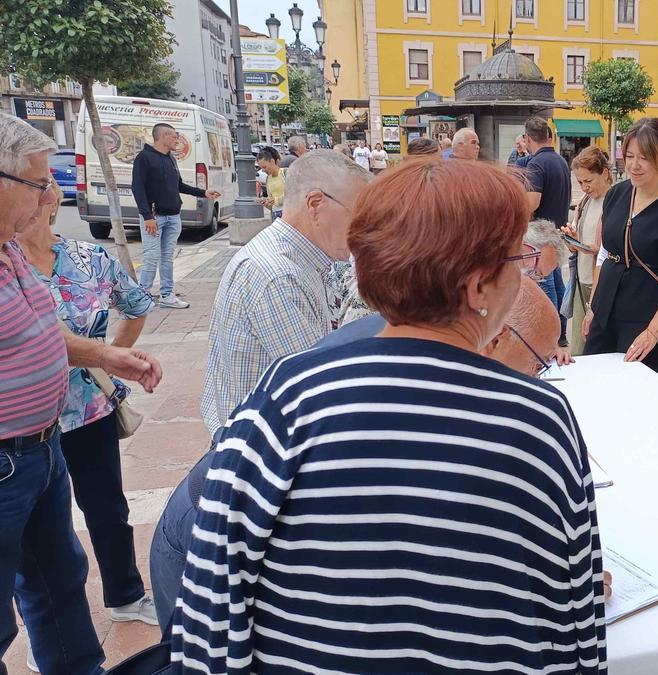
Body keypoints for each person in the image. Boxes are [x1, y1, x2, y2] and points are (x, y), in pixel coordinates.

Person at [173, 157, 607, 673]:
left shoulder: (286, 395)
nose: (525, 273)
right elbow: (577, 615)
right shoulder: (540, 420)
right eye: (518, 259)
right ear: (478, 287)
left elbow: (212, 603)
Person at [149, 274, 562, 631]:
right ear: (499, 335)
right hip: (203, 535)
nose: (536, 378)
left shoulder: (428, 342)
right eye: (537, 363)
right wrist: (545, 578)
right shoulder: (394, 376)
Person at [1, 112, 162, 675]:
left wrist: (110, 357)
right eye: (40, 183)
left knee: (59, 579)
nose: (49, 197)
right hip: (8, 456)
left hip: (46, 442)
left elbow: (49, 331)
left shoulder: (13, 254)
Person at [199, 149, 371, 438]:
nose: (364, 229)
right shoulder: (277, 276)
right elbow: (321, 388)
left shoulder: (305, 258)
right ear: (315, 204)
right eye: (359, 216)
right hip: (258, 445)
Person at [583, 117, 658, 378]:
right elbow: (605, 253)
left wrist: (652, 332)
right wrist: (594, 307)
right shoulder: (617, 194)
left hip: (648, 318)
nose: (634, 166)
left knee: (637, 397)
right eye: (629, 156)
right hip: (606, 312)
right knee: (595, 384)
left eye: (644, 157)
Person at [131, 122, 221, 310]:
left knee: (167, 258)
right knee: (151, 257)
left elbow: (178, 185)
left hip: (173, 216)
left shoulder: (170, 158)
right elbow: (137, 188)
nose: (176, 139)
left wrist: (203, 193)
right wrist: (147, 216)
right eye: (174, 136)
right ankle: (142, 298)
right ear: (163, 136)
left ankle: (167, 295)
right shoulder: (144, 158)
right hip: (154, 218)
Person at [523, 117, 573, 349]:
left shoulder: (536, 164)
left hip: (540, 234)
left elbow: (532, 202)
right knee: (556, 284)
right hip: (557, 230)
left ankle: (553, 336)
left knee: (545, 285)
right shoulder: (560, 161)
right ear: (549, 136)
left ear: (528, 139)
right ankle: (561, 332)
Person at [566, 146, 612, 355]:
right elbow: (578, 241)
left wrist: (593, 249)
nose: (584, 187)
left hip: (602, 283)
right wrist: (571, 241)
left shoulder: (615, 201)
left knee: (597, 346)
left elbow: (612, 247)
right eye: (580, 182)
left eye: (588, 181)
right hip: (582, 279)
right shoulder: (585, 201)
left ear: (604, 173)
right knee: (579, 346)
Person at [256, 146, 285, 219]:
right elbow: (272, 204)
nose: (262, 170)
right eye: (261, 168)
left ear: (272, 161)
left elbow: (294, 196)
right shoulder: (268, 178)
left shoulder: (286, 173)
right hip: (275, 214)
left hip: (288, 213)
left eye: (264, 167)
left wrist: (275, 200)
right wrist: (266, 202)